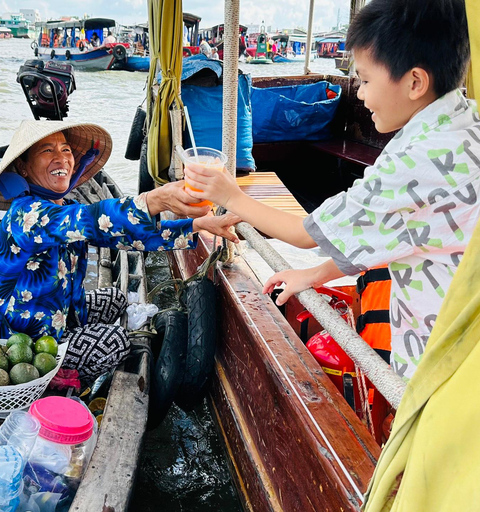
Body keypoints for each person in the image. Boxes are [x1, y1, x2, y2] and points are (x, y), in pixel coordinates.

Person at [184, 0, 476, 381]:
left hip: (437, 362)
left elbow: (305, 234)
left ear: (415, 82)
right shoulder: (464, 123)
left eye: (367, 81)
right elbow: (399, 230)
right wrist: (315, 275)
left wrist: (230, 196)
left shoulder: (412, 162)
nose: (358, 94)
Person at [0, 120, 239, 378]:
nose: (61, 158)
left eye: (65, 150)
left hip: (61, 314)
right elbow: (93, 219)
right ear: (23, 167)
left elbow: (121, 236)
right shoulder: (27, 214)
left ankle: (77, 341)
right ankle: (52, 379)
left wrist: (196, 224)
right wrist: (155, 199)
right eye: (47, 150)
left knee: (116, 299)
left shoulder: (60, 206)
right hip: (20, 345)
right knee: (116, 342)